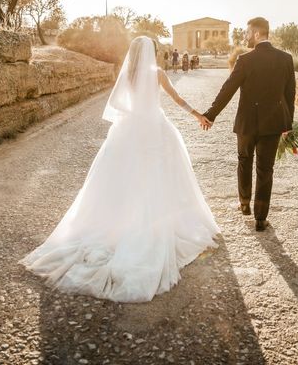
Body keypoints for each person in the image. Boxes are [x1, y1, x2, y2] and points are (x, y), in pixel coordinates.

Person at [19, 36, 219, 302]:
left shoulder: (128, 74)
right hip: (155, 129)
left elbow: (115, 104)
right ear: (151, 52)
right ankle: (158, 221)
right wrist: (197, 114)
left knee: (120, 180)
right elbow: (176, 99)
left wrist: (133, 113)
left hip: (128, 129)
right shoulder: (157, 73)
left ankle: (117, 222)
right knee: (159, 177)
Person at [202, 17, 295, 232]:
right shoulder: (286, 59)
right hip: (273, 123)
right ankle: (261, 218)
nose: (245, 36)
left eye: (247, 32)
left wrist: (211, 114)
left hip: (247, 123)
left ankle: (244, 203)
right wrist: (287, 124)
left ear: (256, 33)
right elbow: (290, 94)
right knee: (265, 169)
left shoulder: (245, 60)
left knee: (244, 160)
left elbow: (228, 89)